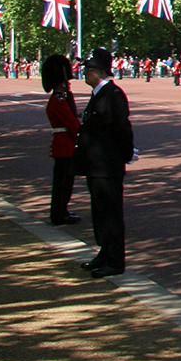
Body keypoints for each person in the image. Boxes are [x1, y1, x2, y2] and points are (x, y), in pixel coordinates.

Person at [72, 47, 133, 277]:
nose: (84, 73)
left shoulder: (113, 95)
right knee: (99, 213)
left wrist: (124, 155)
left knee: (111, 214)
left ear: (98, 71)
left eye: (87, 69)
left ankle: (115, 260)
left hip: (107, 165)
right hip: (96, 164)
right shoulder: (99, 94)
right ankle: (104, 252)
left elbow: (122, 130)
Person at [43, 55, 81, 225]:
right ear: (60, 83)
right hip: (65, 145)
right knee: (63, 183)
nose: (68, 85)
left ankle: (61, 210)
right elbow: (72, 125)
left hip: (64, 144)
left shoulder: (60, 100)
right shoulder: (58, 101)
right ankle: (59, 213)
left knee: (64, 182)